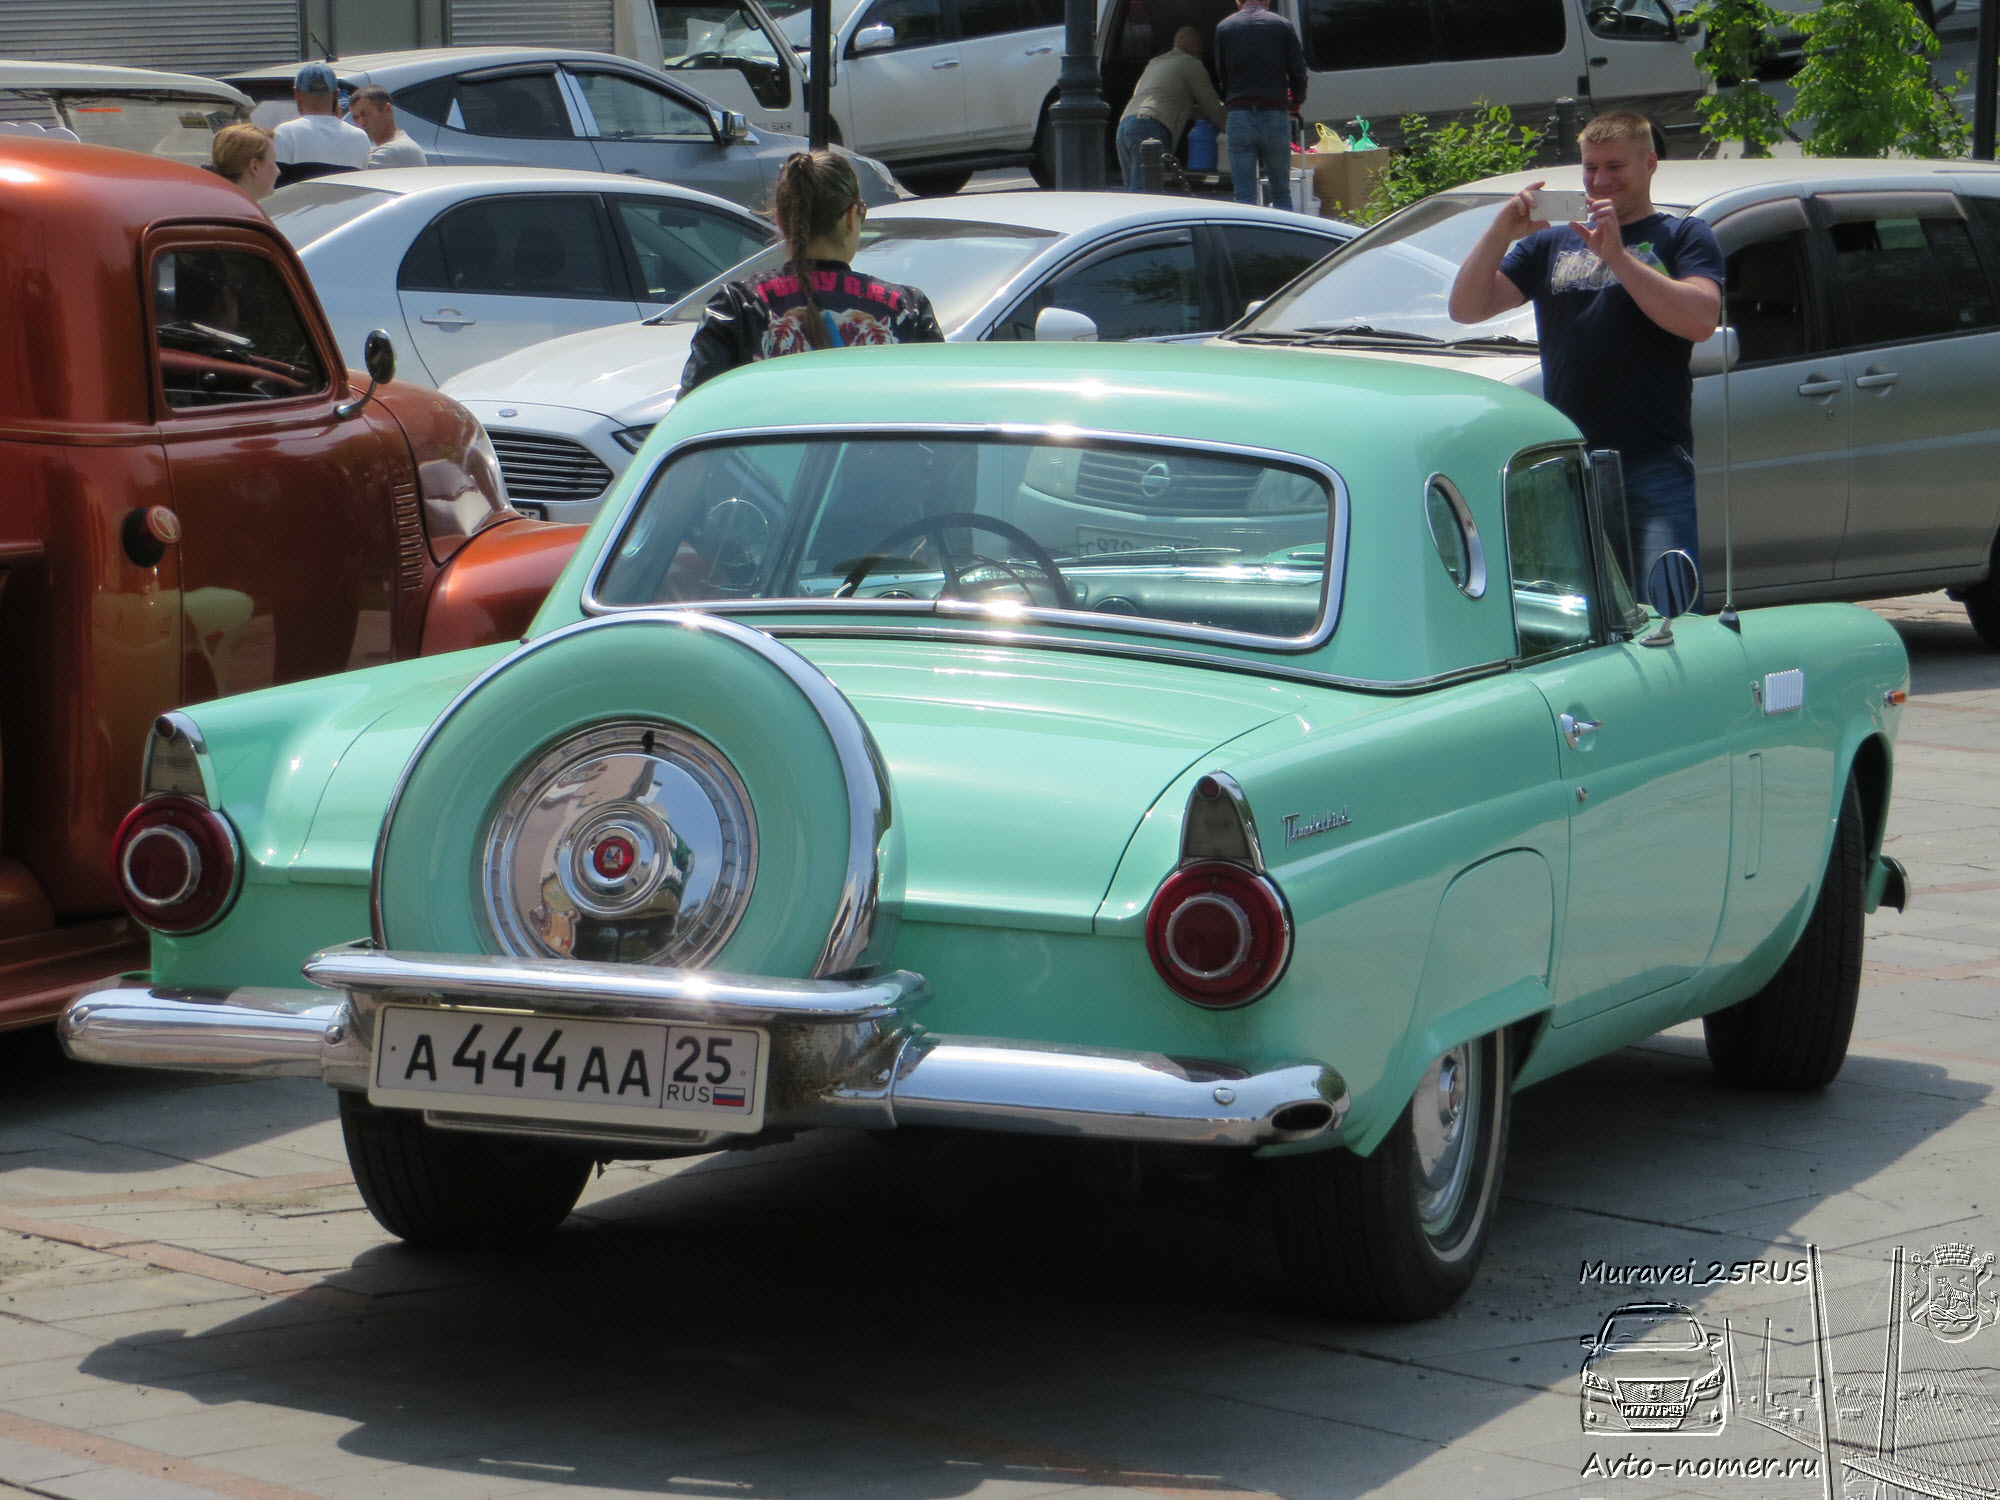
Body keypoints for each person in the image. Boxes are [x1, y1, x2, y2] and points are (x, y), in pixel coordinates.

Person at [1447, 109, 1722, 613]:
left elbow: (1700, 319)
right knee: (1578, 620)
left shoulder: (1684, 236)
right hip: (1569, 464)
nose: (1600, 180)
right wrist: (1500, 231)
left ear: (1650, 164)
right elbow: (1466, 308)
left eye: (1614, 166)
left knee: (1671, 616)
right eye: (1590, 168)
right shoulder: (1550, 242)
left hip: (1653, 460)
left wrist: (1618, 256)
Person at [678, 150, 943, 398]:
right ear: (852, 216)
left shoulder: (738, 306)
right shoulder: (907, 308)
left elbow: (694, 410)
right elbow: (940, 406)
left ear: (780, 219)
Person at [1212, 0, 1306, 211]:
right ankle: (1285, 239)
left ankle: (1249, 242)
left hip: (1240, 113)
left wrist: (1230, 97)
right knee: (1281, 192)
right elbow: (1298, 72)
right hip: (1274, 112)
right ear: (1268, 1)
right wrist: (1296, 100)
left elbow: (1221, 74)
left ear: (1238, 2)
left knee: (1244, 195)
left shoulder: (1225, 27)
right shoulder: (1282, 25)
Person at [1117, 27, 1228, 193]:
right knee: (1147, 194)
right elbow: (1212, 106)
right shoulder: (1191, 64)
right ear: (1196, 47)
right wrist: (1233, 130)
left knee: (1134, 194)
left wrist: (1206, 118)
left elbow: (1181, 106)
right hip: (1149, 129)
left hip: (1125, 126)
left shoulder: (1155, 63)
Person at [271, 62, 370, 187]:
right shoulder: (360, 138)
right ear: (336, 94)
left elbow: (276, 191)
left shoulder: (285, 133)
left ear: (297, 94)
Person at [346, 85, 426, 168]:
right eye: (356, 117)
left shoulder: (396, 149)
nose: (361, 122)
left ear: (387, 110)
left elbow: (349, 175)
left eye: (365, 113)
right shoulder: (402, 145)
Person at [206, 122, 278, 203]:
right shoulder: (242, 213)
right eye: (273, 161)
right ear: (255, 167)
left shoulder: (213, 205)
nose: (278, 171)